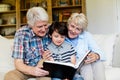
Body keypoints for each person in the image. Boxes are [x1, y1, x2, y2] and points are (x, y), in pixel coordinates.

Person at [4, 7, 52, 80]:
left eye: (45, 25)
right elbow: (18, 62)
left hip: (44, 69)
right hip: (27, 69)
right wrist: (32, 70)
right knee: (9, 76)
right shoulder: (21, 33)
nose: (44, 29)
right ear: (31, 25)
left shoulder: (51, 30)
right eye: (39, 26)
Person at [65, 13, 106, 80]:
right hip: (71, 68)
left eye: (78, 29)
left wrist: (96, 56)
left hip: (84, 66)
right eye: (72, 26)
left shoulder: (86, 35)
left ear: (82, 31)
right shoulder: (61, 35)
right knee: (86, 66)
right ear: (68, 24)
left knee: (98, 62)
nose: (73, 31)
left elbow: (102, 53)